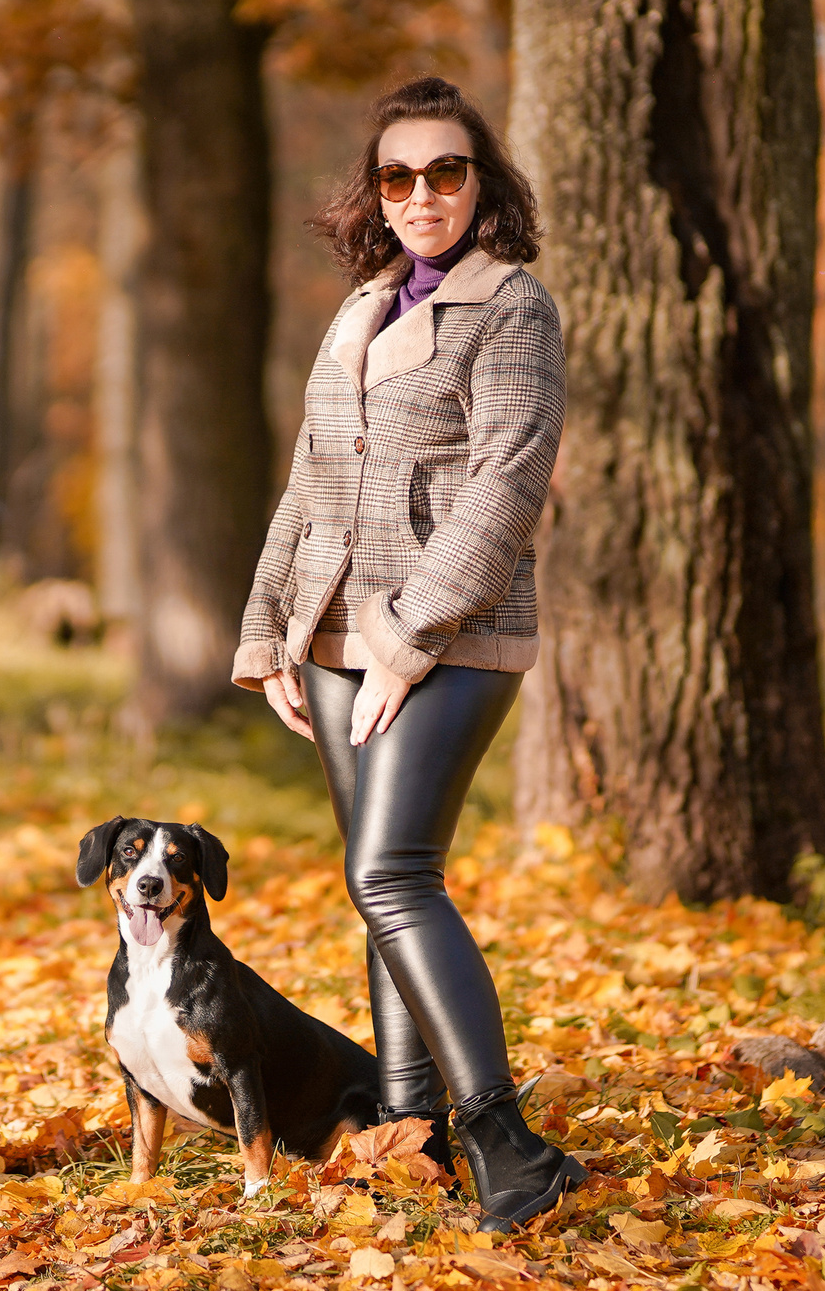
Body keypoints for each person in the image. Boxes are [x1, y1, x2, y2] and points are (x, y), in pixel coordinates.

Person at [232, 75, 583, 1232]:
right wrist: (266, 630)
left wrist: (405, 633)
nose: (421, 193)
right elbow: (308, 479)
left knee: (392, 873)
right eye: (398, 174)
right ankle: (406, 1130)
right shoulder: (362, 307)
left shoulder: (511, 306)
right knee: (376, 886)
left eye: (445, 171)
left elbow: (508, 484)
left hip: (452, 630)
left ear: (482, 184)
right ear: (374, 191)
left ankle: (505, 1141)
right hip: (328, 634)